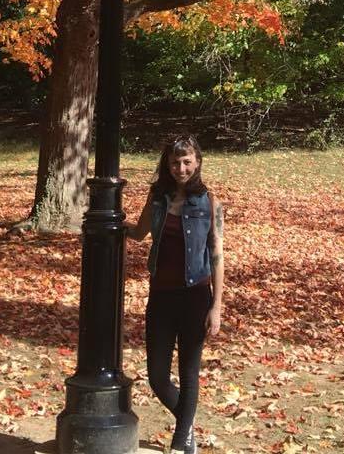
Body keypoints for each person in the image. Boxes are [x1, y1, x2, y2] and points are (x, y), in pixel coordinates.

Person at [127, 133, 224, 454]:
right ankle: (187, 424)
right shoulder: (157, 197)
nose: (180, 168)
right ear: (166, 164)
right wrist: (105, 221)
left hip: (196, 296)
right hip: (161, 296)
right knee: (156, 376)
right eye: (174, 162)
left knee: (189, 371)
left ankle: (183, 441)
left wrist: (217, 306)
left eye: (186, 162)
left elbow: (217, 255)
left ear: (197, 162)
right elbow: (140, 234)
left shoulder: (209, 201)